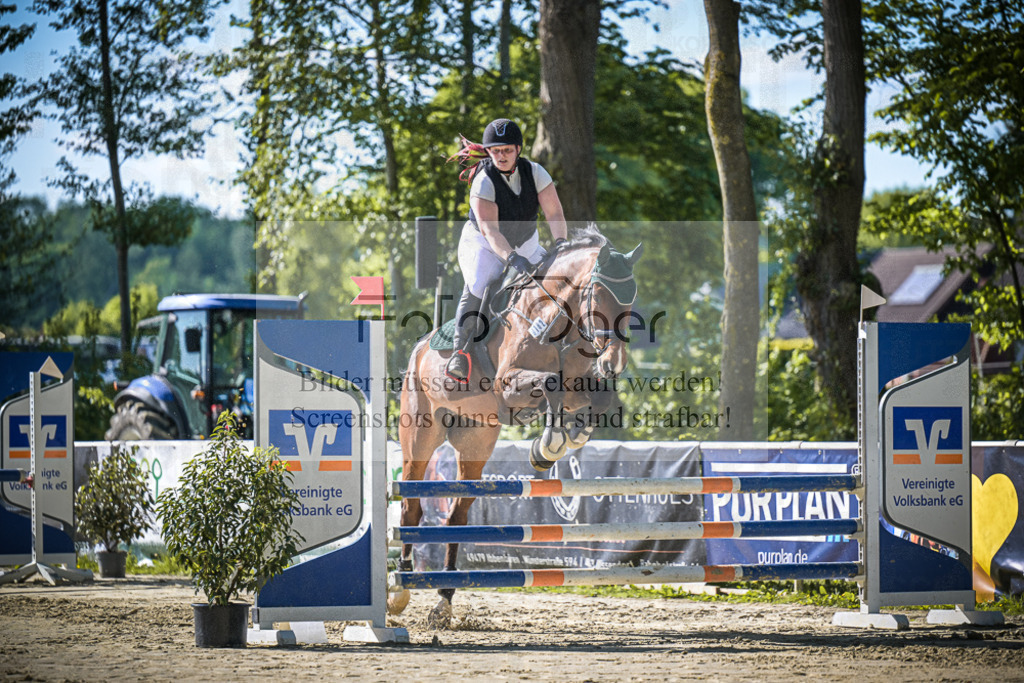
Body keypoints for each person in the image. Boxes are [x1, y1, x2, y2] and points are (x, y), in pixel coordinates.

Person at [445, 117, 568, 382]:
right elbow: (491, 232)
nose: (501, 156)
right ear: (488, 152)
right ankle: (461, 351)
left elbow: (555, 213)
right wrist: (511, 258)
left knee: (557, 282)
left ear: (518, 150)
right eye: (496, 150)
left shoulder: (535, 172)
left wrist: (560, 245)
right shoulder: (484, 182)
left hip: (526, 241)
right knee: (480, 283)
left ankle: (568, 345)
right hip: (484, 244)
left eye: (507, 150)